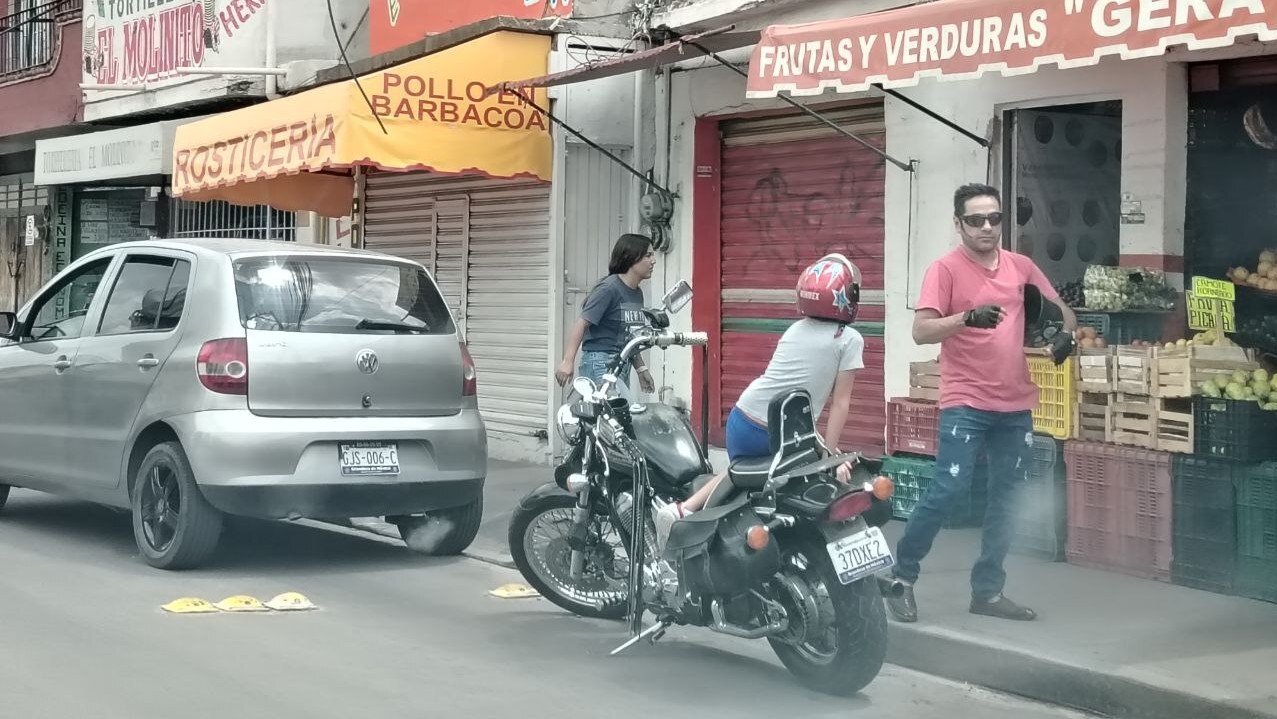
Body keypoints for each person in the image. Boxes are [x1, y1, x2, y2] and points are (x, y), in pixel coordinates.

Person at [887, 183, 1077, 624]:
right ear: (959, 225)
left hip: (1015, 404)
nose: (987, 226)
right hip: (966, 401)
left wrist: (1065, 333)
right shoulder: (945, 270)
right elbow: (921, 331)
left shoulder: (1021, 266)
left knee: (1006, 498)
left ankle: (988, 592)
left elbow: (1061, 310)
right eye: (976, 220)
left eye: (994, 218)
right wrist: (966, 318)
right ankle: (901, 578)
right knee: (949, 490)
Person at [655, 253, 866, 546]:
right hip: (780, 432)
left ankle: (684, 509)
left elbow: (791, 401)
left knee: (741, 477)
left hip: (746, 420)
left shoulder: (796, 329)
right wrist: (828, 458)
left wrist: (827, 453)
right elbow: (840, 404)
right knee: (778, 487)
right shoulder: (849, 339)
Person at [556, 233, 658, 400]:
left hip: (621, 363)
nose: (653, 261)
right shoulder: (609, 289)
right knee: (605, 420)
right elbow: (582, 323)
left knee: (618, 420)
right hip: (600, 363)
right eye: (648, 255)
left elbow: (630, 337)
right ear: (631, 257)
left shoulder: (637, 294)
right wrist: (567, 361)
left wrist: (641, 369)